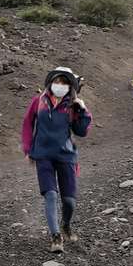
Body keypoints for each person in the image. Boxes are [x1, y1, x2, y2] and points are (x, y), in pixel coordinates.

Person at [21, 66, 92, 254]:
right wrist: (28, 149)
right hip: (42, 155)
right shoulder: (38, 101)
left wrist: (83, 110)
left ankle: (66, 225)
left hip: (66, 156)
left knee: (69, 201)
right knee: (50, 195)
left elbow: (82, 131)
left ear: (70, 86)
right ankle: (55, 236)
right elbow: (28, 124)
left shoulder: (72, 105)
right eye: (57, 81)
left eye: (64, 82)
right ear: (51, 82)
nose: (59, 85)